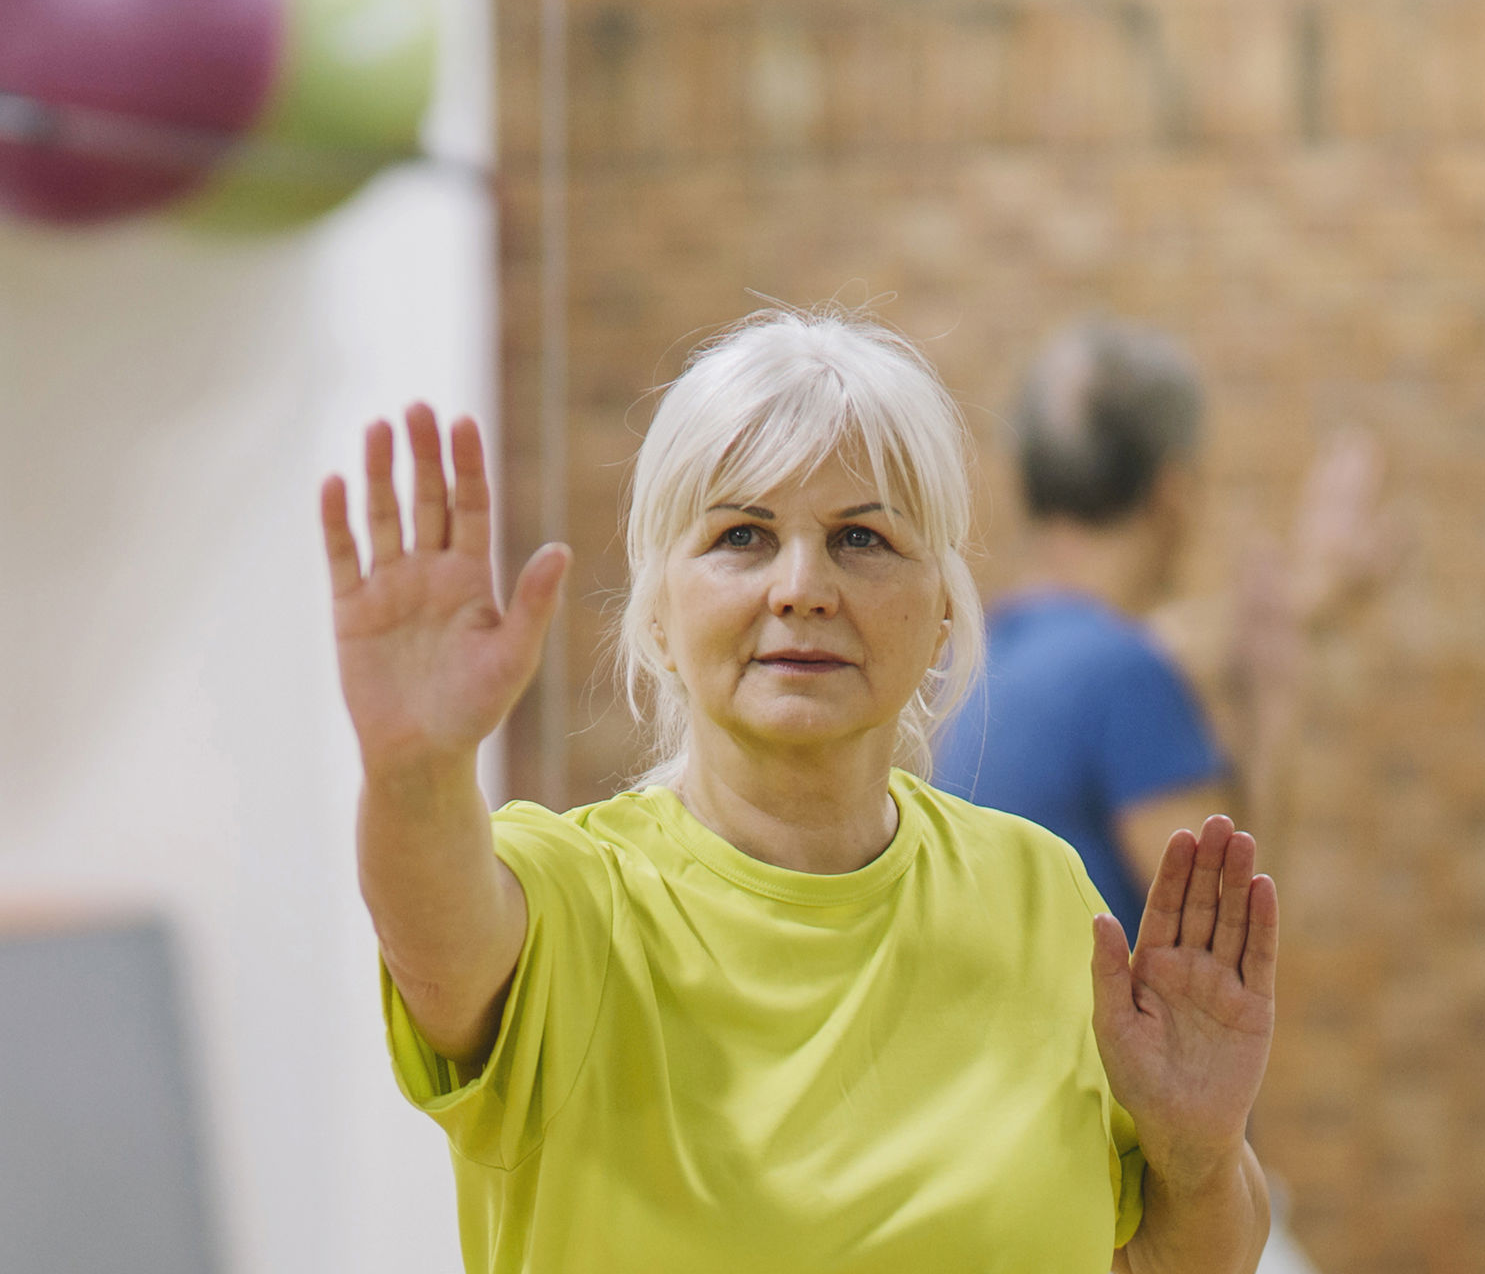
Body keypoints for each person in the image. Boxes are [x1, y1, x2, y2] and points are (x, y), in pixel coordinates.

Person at [325, 309, 1277, 1270]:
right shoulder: (571, 902)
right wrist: (416, 773)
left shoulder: (1042, 896)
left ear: (943, 609)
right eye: (742, 535)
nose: (800, 587)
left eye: (861, 540)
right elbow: (433, 929)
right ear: (658, 613)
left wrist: (1197, 1157)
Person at [935, 319, 1387, 937]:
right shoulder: (1126, 675)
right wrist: (1273, 702)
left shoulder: (967, 659)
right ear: (1174, 493)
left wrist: (1309, 596)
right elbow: (1229, 942)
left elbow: (1164, 640)